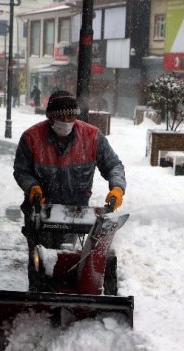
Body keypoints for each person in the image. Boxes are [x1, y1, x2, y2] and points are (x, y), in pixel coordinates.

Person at [12, 90, 126, 290]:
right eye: (60, 116)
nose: (66, 121)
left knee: (69, 258)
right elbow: (21, 171)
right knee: (40, 260)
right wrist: (32, 187)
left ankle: (69, 297)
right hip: (40, 210)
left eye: (70, 116)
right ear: (50, 117)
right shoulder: (31, 138)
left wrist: (117, 188)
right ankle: (38, 299)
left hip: (75, 212)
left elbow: (113, 165)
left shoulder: (91, 137)